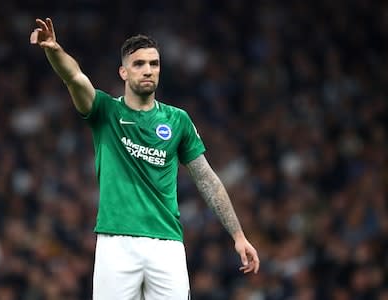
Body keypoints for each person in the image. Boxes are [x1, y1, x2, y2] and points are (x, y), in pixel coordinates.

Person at [30, 17, 260, 300]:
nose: (148, 70)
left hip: (166, 245)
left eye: (154, 64)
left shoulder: (178, 120)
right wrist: (54, 50)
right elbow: (75, 77)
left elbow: (206, 179)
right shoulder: (105, 111)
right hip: (116, 243)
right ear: (123, 72)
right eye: (139, 64)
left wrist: (238, 235)